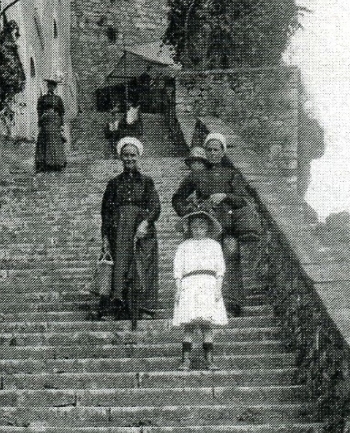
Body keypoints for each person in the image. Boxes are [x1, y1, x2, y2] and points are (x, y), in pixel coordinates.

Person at [172, 132, 250, 315]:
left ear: (223, 152)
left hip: (228, 226)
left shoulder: (232, 174)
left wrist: (225, 196)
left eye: (216, 149)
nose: (212, 153)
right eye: (209, 149)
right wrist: (190, 213)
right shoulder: (197, 175)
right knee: (202, 263)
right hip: (204, 228)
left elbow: (243, 200)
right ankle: (202, 302)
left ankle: (232, 302)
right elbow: (177, 198)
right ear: (205, 152)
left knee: (231, 254)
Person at [99, 136, 160, 322]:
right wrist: (105, 238)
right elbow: (106, 213)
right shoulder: (113, 183)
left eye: (133, 155)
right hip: (119, 230)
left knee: (144, 265)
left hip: (142, 230)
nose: (129, 159)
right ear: (120, 157)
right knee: (119, 265)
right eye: (125, 155)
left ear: (138, 156)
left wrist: (145, 223)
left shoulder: (147, 182)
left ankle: (144, 307)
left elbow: (155, 206)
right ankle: (116, 308)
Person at [173, 209, 227, 370]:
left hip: (208, 285)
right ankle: (186, 360)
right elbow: (178, 270)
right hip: (189, 285)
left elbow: (220, 270)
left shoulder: (214, 245)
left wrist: (218, 289)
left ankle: (209, 359)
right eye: (195, 227)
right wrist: (178, 289)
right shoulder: (183, 246)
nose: (198, 230)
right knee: (189, 324)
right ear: (190, 228)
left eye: (202, 227)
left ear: (208, 228)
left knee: (206, 324)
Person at [34, 74, 66, 172]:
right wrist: (40, 121)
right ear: (47, 86)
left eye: (53, 86)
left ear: (55, 87)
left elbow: (61, 112)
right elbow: (39, 111)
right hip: (46, 121)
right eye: (49, 86)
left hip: (55, 121)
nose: (51, 87)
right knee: (44, 139)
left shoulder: (58, 99)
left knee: (55, 140)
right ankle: (43, 163)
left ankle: (56, 163)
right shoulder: (43, 98)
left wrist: (61, 125)